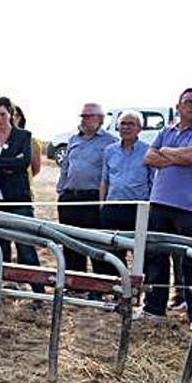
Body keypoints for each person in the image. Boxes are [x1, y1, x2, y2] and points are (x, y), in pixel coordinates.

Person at [135, 88, 192, 325]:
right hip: (160, 203)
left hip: (191, 208)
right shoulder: (166, 130)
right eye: (189, 102)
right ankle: (154, 310)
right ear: (178, 106)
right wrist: (175, 157)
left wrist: (167, 152)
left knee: (191, 261)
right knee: (157, 258)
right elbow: (149, 158)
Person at [0, 97, 45, 304]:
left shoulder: (23, 136)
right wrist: (7, 165)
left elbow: (23, 164)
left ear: (10, 114)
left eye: (3, 114)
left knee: (25, 247)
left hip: (18, 199)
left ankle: (39, 294)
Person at [55, 103, 118, 276]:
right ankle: (75, 281)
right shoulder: (73, 139)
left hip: (93, 199)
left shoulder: (110, 142)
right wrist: (61, 191)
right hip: (70, 198)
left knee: (96, 242)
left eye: (88, 116)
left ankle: (101, 284)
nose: (84, 120)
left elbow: (112, 172)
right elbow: (65, 167)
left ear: (100, 119)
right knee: (70, 242)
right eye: (82, 116)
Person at [99, 110, 154, 265]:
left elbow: (153, 182)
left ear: (139, 129)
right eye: (123, 123)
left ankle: (138, 287)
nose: (126, 127)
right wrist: (102, 205)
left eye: (131, 124)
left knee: (141, 254)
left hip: (137, 210)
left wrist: (149, 209)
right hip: (113, 208)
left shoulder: (148, 151)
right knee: (112, 254)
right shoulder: (110, 150)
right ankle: (116, 287)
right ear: (117, 126)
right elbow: (105, 180)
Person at [14, 106, 43, 199]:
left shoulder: (32, 141)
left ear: (20, 118)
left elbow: (35, 169)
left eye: (14, 115)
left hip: (23, 194)